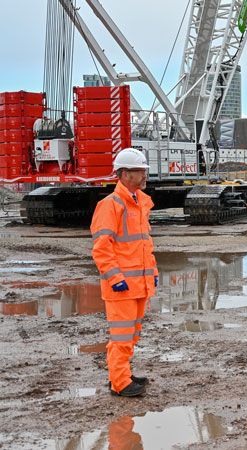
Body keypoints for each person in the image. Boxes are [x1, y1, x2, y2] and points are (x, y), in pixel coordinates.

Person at [90, 148, 158, 397]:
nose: (144, 175)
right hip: (122, 287)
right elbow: (101, 248)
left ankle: (121, 374)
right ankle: (120, 383)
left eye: (144, 171)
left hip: (139, 284)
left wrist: (153, 271)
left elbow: (144, 244)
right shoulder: (111, 205)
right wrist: (115, 278)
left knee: (131, 336)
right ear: (124, 174)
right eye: (140, 171)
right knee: (121, 337)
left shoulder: (139, 203)